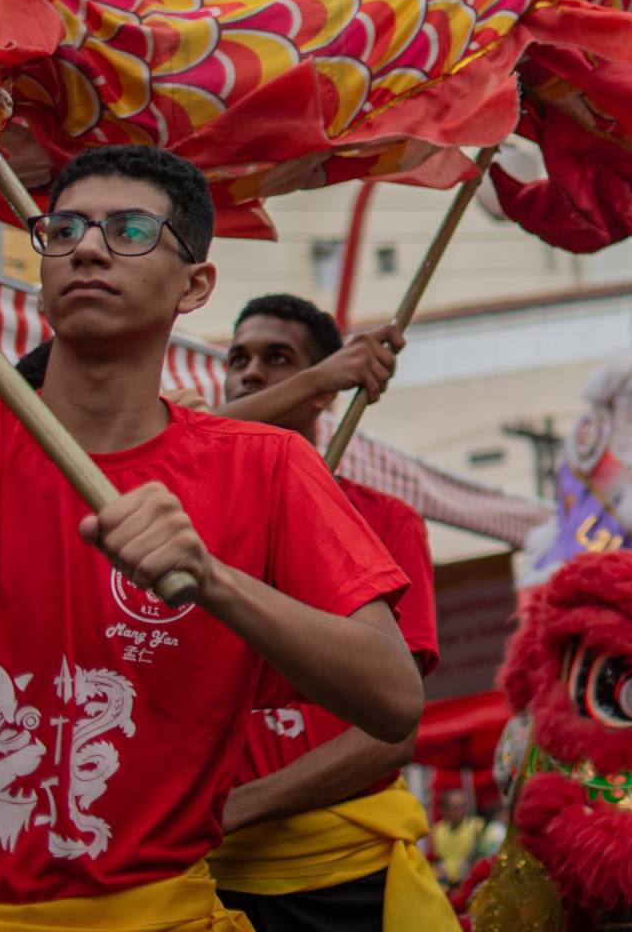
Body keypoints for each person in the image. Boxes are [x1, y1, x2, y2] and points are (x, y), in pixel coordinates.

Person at [0, 126, 423, 929]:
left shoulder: (265, 467)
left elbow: (393, 700)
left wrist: (217, 582)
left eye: (128, 231)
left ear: (195, 286)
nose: (87, 248)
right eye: (63, 230)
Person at [205, 296, 447, 932]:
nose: (250, 374)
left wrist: (232, 809)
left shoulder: (387, 523)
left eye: (276, 359)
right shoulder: (185, 521)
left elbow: (391, 733)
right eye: (238, 359)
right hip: (201, 883)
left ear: (330, 394)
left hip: (348, 884)